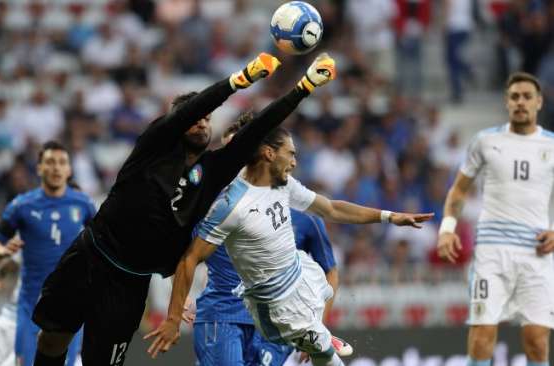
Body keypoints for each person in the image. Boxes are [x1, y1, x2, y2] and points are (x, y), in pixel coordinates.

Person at [32, 53, 337, 366]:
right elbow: (189, 110)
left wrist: (304, 86)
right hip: (91, 256)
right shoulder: (152, 147)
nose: (202, 121)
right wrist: (239, 80)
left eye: (207, 119)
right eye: (197, 115)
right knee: (54, 337)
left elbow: (259, 128)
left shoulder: (213, 171)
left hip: (131, 283)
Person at [146, 127, 433, 365]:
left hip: (288, 298)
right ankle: (312, 333)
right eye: (291, 154)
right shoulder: (220, 204)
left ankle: (314, 329)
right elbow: (183, 255)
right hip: (229, 313)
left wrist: (389, 216)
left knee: (315, 309)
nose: (295, 161)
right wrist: (174, 312)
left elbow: (332, 210)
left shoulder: (283, 187)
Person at [189, 120, 344, 366]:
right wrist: (181, 303)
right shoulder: (218, 206)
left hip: (277, 320)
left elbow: (330, 272)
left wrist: (317, 324)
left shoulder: (304, 214)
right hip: (226, 314)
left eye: (238, 151)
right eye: (227, 152)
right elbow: (188, 256)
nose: (232, 161)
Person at [436, 72, 554, 366]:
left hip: (536, 253)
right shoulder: (486, 141)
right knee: (482, 335)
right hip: (492, 250)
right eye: (514, 97)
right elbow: (458, 191)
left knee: (538, 341)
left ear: (539, 102)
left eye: (527, 97)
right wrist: (447, 229)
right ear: (506, 102)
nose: (520, 102)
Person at [0, 141, 96, 366]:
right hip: (29, 311)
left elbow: (101, 245)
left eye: (61, 163)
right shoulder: (22, 206)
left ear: (68, 169)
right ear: (39, 168)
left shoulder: (83, 204)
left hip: (69, 308)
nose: (56, 168)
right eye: (50, 162)